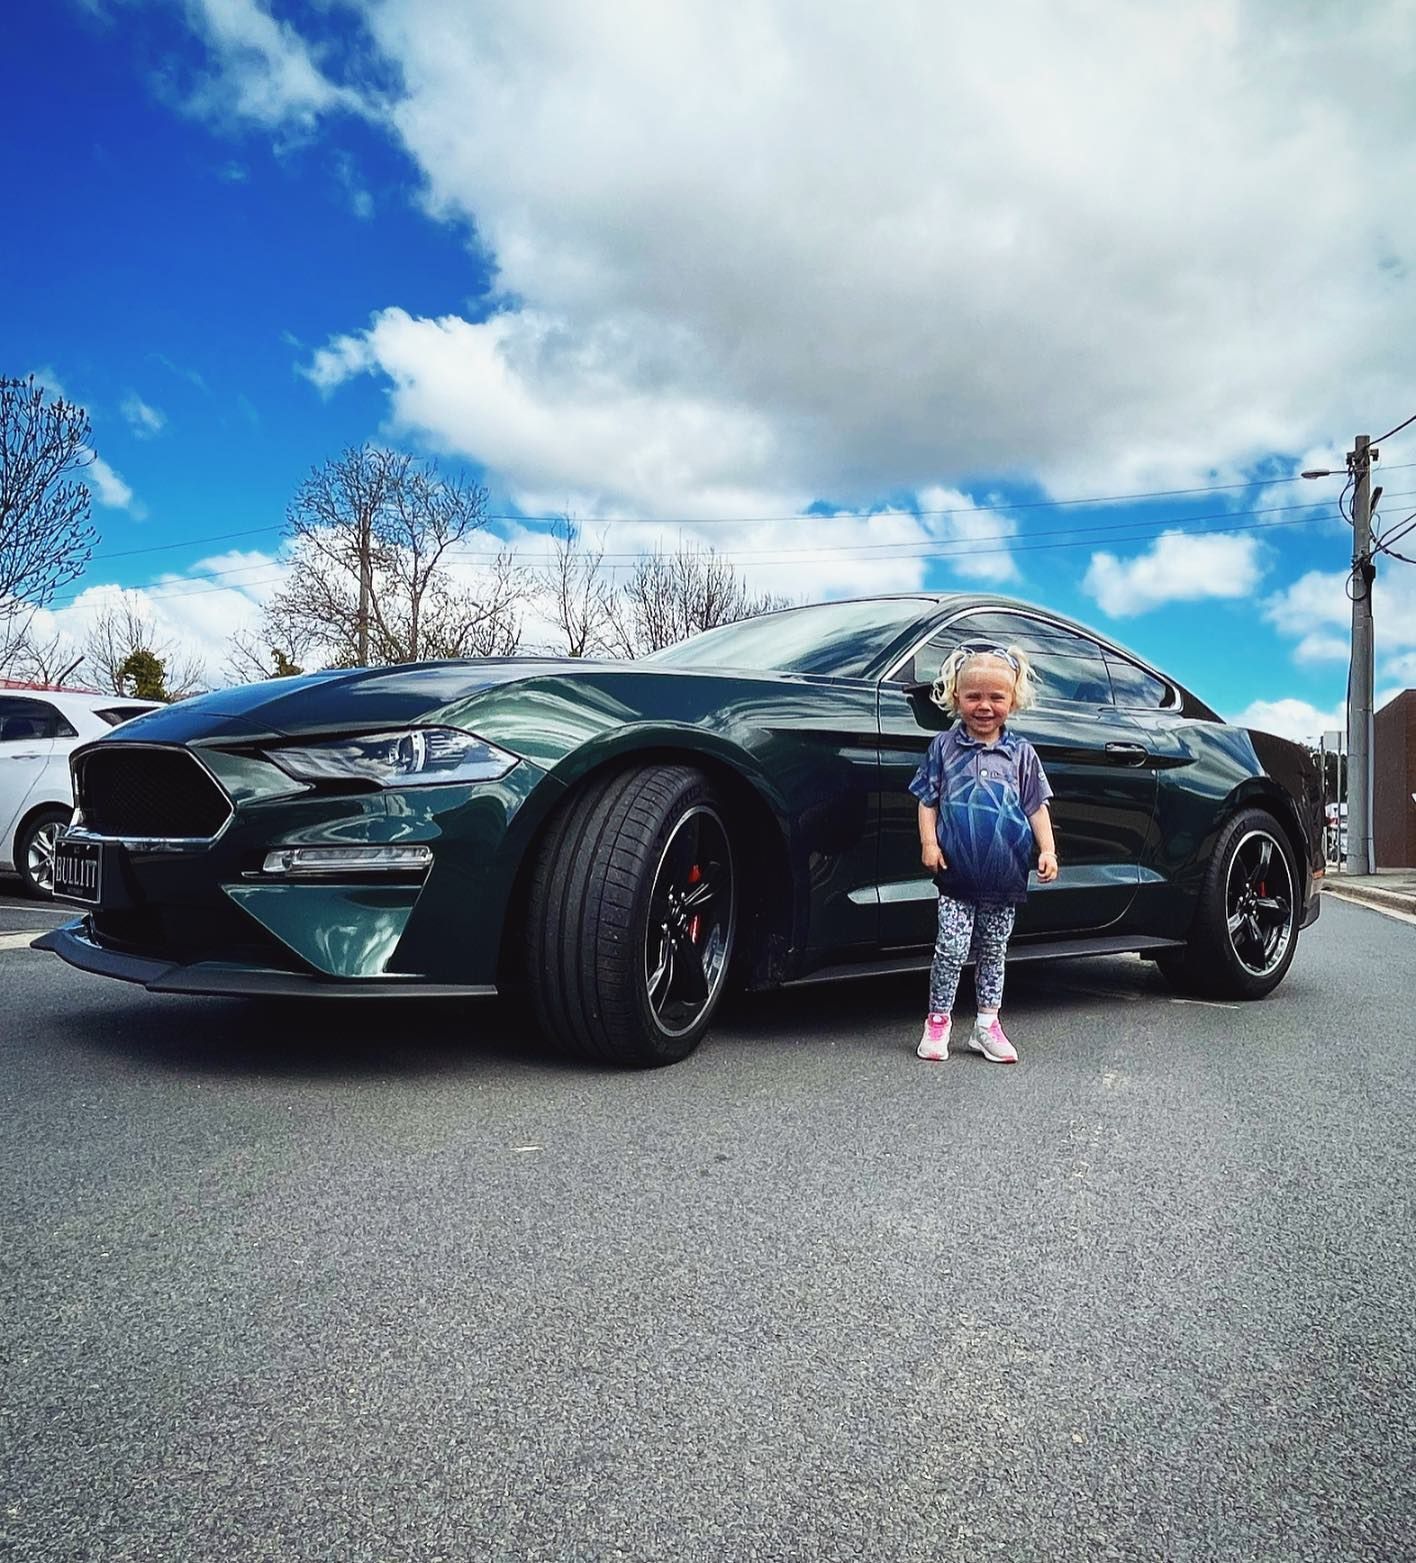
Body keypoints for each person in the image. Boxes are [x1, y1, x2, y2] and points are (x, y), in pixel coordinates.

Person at [908, 642, 1057, 1064]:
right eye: (974, 696)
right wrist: (929, 842)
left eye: (996, 697)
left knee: (994, 950)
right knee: (952, 949)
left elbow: (1036, 806)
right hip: (956, 873)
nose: (985, 706)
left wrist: (1048, 850)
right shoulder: (944, 748)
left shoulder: (1021, 754)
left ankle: (987, 1024)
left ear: (1013, 699)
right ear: (956, 697)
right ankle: (938, 1021)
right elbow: (927, 800)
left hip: (1004, 875)